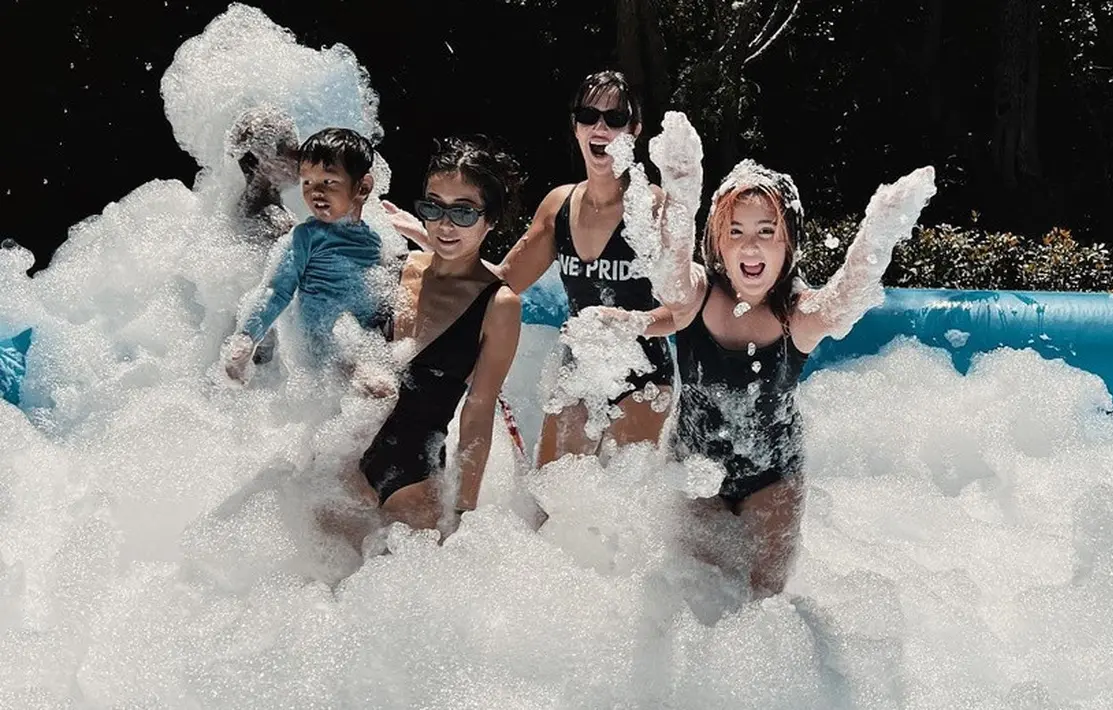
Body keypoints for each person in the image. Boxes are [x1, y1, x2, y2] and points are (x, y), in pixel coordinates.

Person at [601, 145, 936, 597]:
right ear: (717, 244)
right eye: (735, 231)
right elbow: (674, 296)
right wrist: (638, 320)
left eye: (766, 230)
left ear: (788, 243)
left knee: (762, 608)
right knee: (692, 599)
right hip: (694, 468)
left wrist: (879, 232)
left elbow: (841, 306)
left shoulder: (796, 313)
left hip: (773, 478)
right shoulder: (701, 292)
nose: (751, 244)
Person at [382, 70, 692, 467]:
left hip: (644, 373)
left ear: (634, 129)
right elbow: (500, 282)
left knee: (620, 513)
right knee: (550, 503)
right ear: (575, 125)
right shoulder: (559, 206)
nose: (600, 127)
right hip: (579, 369)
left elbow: (680, 312)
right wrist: (436, 239)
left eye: (614, 119)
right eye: (588, 115)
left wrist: (631, 322)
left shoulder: (656, 208)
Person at [336, 136, 524, 542]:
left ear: (490, 218)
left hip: (414, 482)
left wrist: (464, 512)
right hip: (344, 464)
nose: (444, 224)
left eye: (463, 212)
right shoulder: (392, 269)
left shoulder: (499, 304)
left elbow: (478, 413)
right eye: (434, 207)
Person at [221, 127, 384, 382]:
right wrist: (247, 337)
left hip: (360, 342)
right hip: (319, 346)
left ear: (362, 188)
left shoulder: (374, 241)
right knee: (347, 344)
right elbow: (277, 290)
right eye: (307, 181)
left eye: (328, 181)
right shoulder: (306, 237)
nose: (315, 191)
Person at [224, 105, 302, 365]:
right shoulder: (276, 222)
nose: (301, 161)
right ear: (263, 159)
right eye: (293, 152)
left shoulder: (237, 207)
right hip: (265, 356)